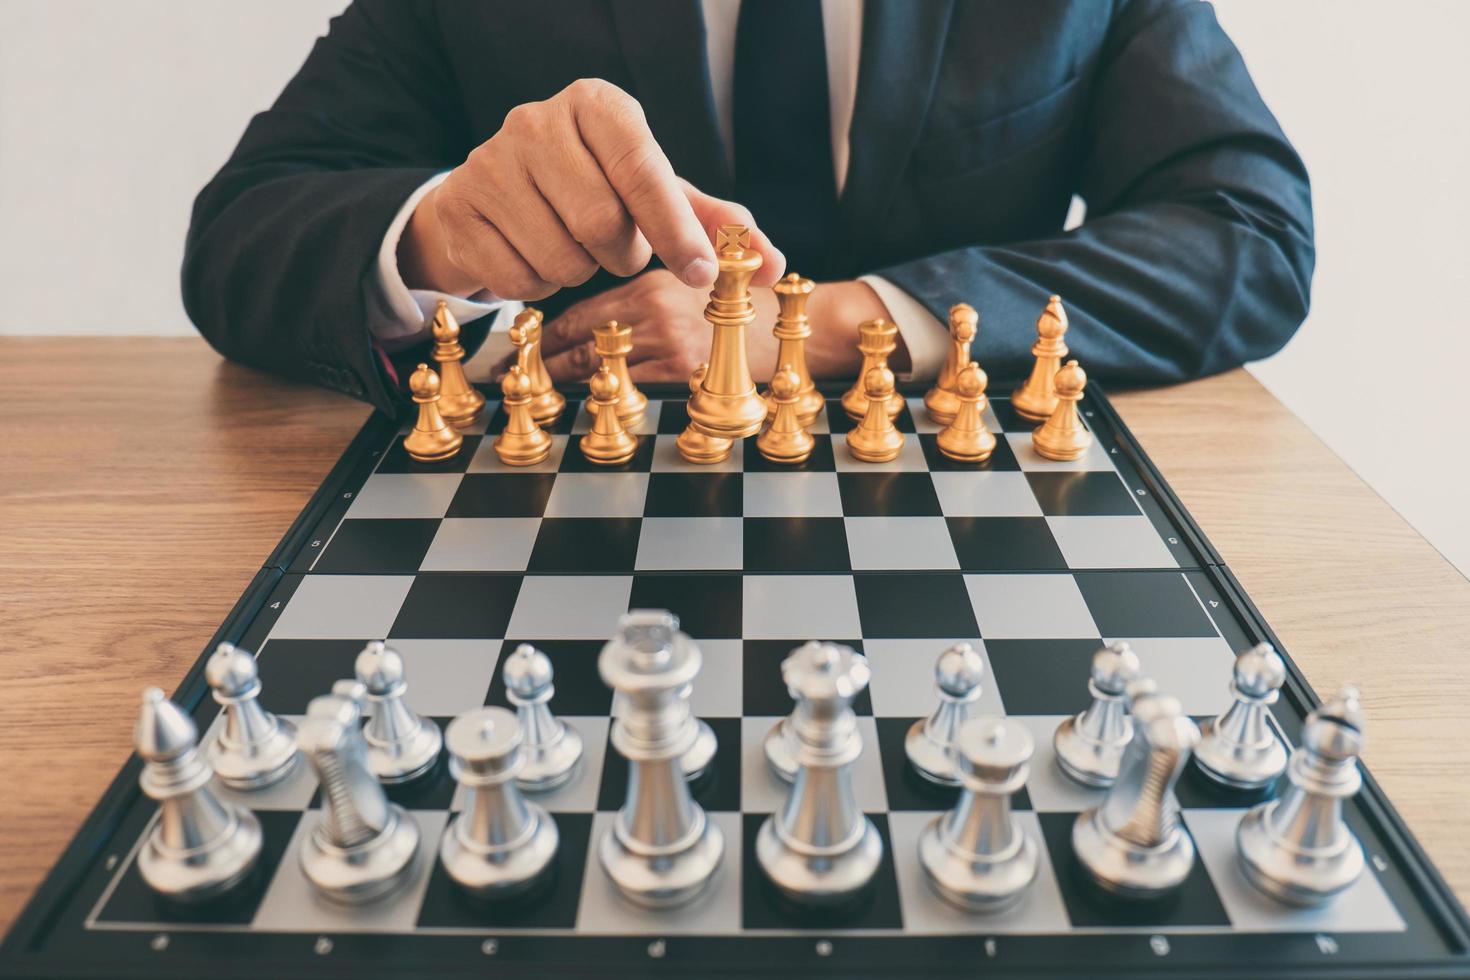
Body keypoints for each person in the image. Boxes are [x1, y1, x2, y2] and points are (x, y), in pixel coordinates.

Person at [183, 0, 1313, 416]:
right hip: (563, 545)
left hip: (985, 526)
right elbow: (242, 231)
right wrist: (437, 233)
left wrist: (820, 324)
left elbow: (1246, 229)